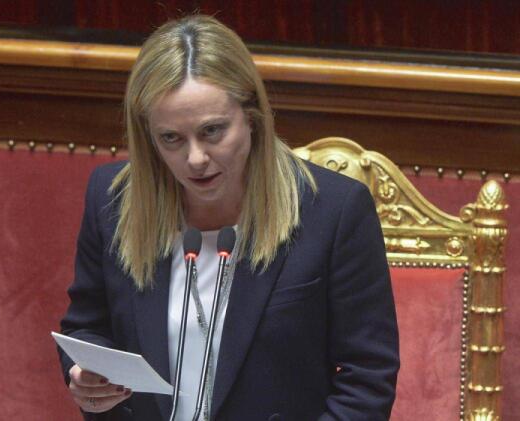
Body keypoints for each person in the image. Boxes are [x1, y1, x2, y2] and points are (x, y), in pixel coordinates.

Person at [59, 14, 399, 421]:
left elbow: (367, 380)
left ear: (251, 117)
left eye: (212, 131)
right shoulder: (113, 200)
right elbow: (86, 326)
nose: (195, 159)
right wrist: (85, 377)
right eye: (171, 138)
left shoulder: (334, 211)